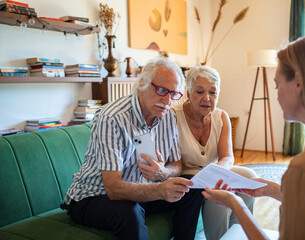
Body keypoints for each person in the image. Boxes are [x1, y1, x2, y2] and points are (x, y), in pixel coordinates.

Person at [203, 36, 305, 239]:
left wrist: (236, 204)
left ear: (298, 83)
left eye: (277, 85)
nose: (276, 94)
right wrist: (272, 189)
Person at [62, 57, 204, 240]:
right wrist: (159, 190)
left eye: (174, 94)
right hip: (94, 197)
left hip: (140, 192)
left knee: (191, 186)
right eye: (161, 90)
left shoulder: (167, 116)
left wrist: (163, 173)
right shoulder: (111, 118)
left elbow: (176, 164)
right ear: (142, 83)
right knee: (129, 211)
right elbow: (113, 188)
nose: (167, 100)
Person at [173, 65, 257, 240]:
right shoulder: (174, 116)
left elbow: (227, 157)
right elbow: (174, 163)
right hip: (189, 177)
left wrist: (216, 171)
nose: (207, 98)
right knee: (219, 194)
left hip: (214, 171)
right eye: (200, 92)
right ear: (188, 93)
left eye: (213, 92)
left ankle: (237, 234)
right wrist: (212, 177)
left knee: (249, 176)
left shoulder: (222, 117)